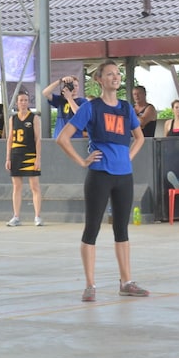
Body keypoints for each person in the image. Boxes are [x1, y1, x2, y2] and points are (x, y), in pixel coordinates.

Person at [56, 60, 149, 303]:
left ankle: (126, 282)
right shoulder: (91, 107)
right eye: (109, 74)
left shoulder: (126, 108)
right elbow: (63, 138)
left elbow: (139, 138)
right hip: (99, 175)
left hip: (124, 176)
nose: (115, 77)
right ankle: (90, 285)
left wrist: (127, 157)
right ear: (99, 79)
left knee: (122, 229)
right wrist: (82, 161)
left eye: (117, 73)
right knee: (92, 228)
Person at [5, 90, 43, 227]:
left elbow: (38, 139)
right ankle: (16, 216)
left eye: (26, 100)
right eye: (21, 100)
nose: (23, 102)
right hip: (16, 154)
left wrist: (38, 158)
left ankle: (37, 216)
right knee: (16, 186)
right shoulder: (13, 119)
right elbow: (10, 139)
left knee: (35, 186)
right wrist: (8, 158)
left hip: (30, 154)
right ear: (17, 102)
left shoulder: (34, 118)